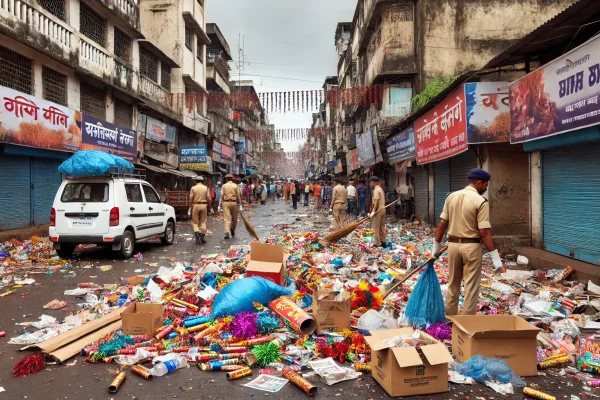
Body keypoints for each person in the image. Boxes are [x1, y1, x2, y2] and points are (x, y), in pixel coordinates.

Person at [432, 168, 502, 316]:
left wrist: (436, 247)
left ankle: (449, 319)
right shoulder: (481, 201)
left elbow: (442, 225)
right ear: (479, 182)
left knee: (453, 284)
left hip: (452, 246)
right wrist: (495, 257)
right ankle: (466, 323)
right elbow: (484, 232)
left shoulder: (451, 197)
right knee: (470, 287)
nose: (486, 188)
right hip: (471, 247)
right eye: (485, 185)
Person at [219, 174, 243, 240]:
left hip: (226, 203)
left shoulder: (224, 186)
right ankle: (232, 229)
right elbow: (238, 196)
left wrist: (219, 205)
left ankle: (227, 232)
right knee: (234, 218)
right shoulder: (235, 186)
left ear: (226, 179)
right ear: (232, 179)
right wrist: (240, 204)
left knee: (226, 218)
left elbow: (221, 195)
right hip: (233, 202)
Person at [189, 176, 211, 244]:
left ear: (196, 181)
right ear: (202, 181)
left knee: (195, 222)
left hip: (195, 205)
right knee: (203, 222)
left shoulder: (193, 188)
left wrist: (190, 207)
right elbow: (209, 198)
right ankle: (202, 236)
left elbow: (191, 199)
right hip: (204, 205)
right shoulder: (206, 188)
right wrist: (210, 207)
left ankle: (197, 237)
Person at [369, 176, 386, 247]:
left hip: (378, 210)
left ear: (373, 182)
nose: (370, 184)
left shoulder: (376, 190)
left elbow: (376, 201)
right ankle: (383, 242)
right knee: (381, 227)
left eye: (370, 182)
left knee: (376, 227)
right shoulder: (381, 189)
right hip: (383, 209)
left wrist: (373, 211)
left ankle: (377, 243)